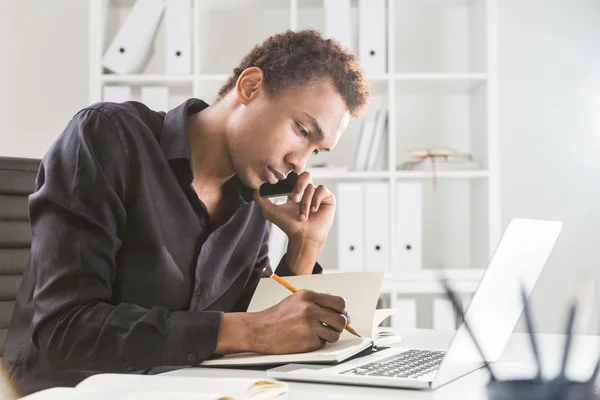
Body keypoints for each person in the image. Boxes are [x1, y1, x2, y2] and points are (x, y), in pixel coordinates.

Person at [2, 29, 371, 395]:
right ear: (251, 86)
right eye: (302, 130)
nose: (299, 163)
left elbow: (260, 337)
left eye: (316, 151)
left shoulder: (252, 199)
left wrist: (302, 250)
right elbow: (66, 330)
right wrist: (249, 330)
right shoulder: (107, 137)